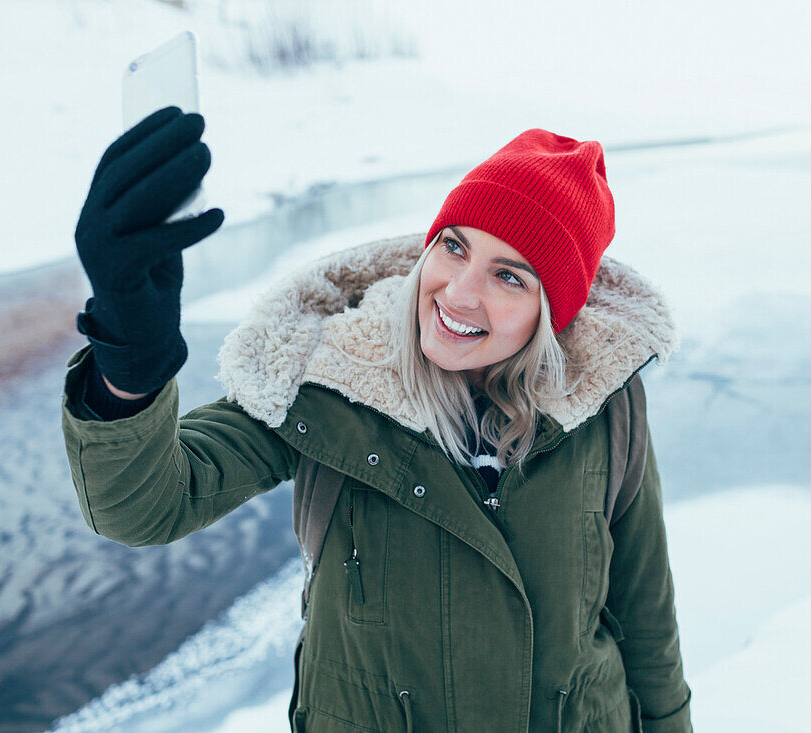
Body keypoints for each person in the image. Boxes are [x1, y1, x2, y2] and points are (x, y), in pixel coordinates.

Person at [61, 106, 692, 732]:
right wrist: (130, 362)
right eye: (454, 247)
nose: (459, 293)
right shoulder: (331, 379)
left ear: (552, 312)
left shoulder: (603, 405)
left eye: (509, 276)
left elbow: (645, 620)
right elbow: (148, 504)